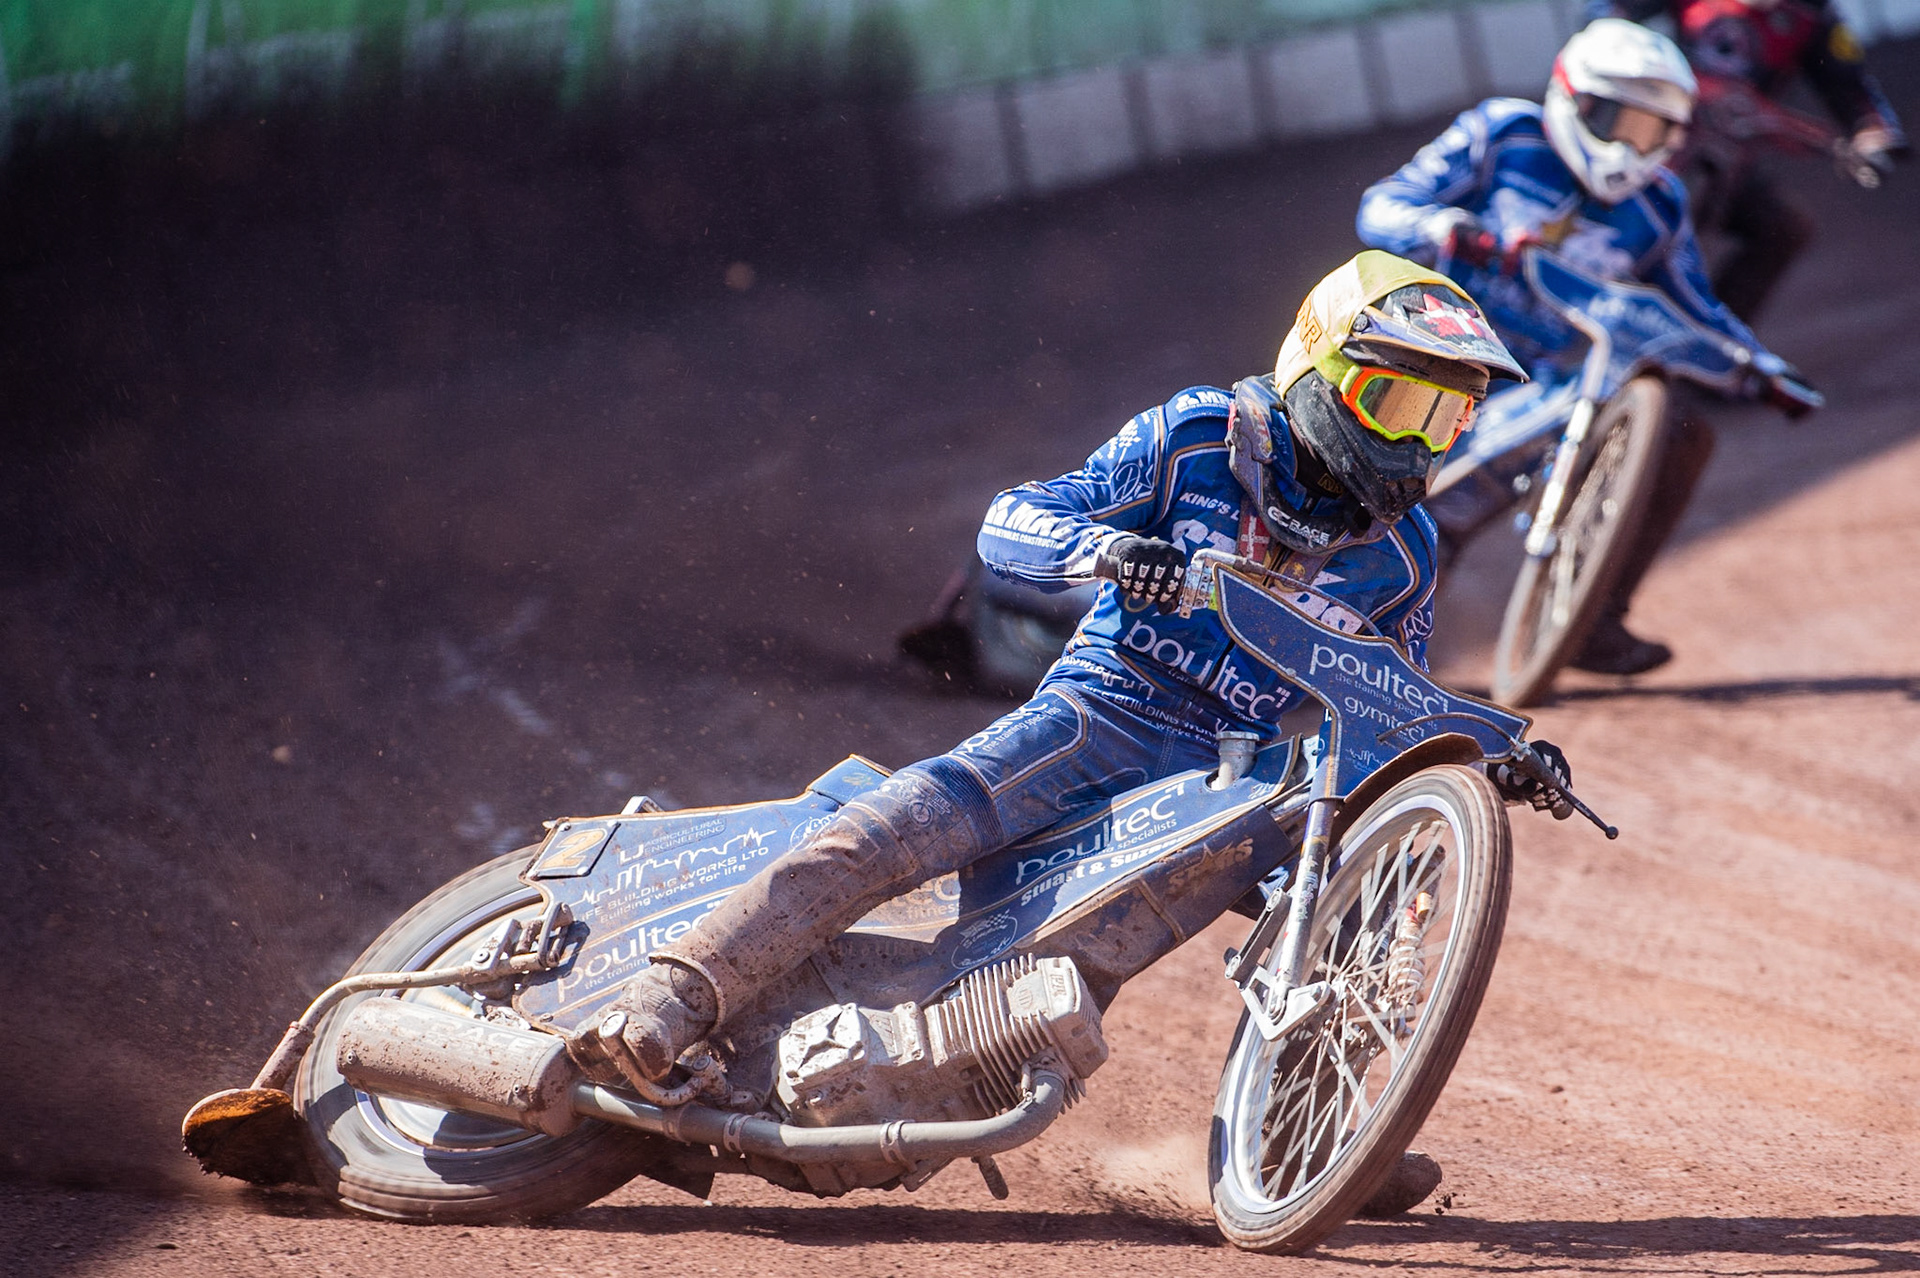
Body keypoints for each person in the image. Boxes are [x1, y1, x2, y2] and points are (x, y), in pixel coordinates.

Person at [605, 251, 1565, 1082]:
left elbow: (1393, 700)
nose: (1412, 441)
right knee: (893, 829)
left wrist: (1486, 753)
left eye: (1444, 420)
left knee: (1358, 898)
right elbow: (1010, 521)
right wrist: (1110, 556)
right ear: (1315, 366)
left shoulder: (1404, 554)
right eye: (1396, 402)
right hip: (1100, 711)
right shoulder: (1196, 436)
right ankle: (670, 999)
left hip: (1232, 771)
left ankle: (1331, 1121)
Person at [1355, 17, 1804, 676]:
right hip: (1420, 344)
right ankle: (1343, 628)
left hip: (1526, 381)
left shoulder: (1659, 204)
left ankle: (1591, 616)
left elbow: (1694, 303)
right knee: (1398, 518)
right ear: (1574, 98)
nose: (1629, 146)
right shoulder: (1504, 133)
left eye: (1649, 131)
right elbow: (1383, 207)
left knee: (1682, 432)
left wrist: (1759, 367)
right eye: (1618, 120)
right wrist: (1447, 228)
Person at [1592, 0, 1907, 320]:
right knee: (1657, 233)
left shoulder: (1808, 14)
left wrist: (1872, 132)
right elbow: (1609, 11)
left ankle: (1718, 337)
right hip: (1659, 143)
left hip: (1731, 160)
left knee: (1784, 227)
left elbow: (1849, 84)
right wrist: (1612, 34)